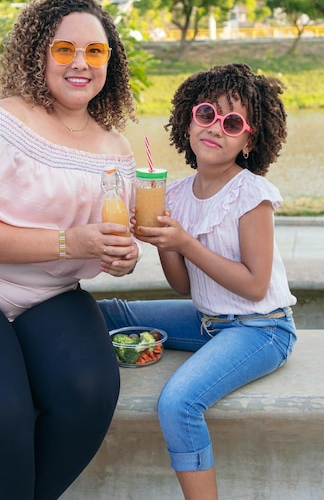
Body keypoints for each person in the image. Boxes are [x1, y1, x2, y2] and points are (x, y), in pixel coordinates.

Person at [0, 0, 140, 500]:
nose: (80, 64)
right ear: (38, 53)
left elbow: (108, 242)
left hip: (52, 298)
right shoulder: (5, 121)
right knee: (0, 413)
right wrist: (73, 242)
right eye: (64, 49)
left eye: (95, 51)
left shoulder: (117, 148)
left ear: (110, 60)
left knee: (89, 394)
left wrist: (121, 255)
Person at [99, 63, 297, 500]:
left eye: (232, 122)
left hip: (262, 329)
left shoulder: (251, 194)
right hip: (208, 320)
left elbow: (254, 286)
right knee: (107, 311)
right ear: (188, 119)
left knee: (178, 404)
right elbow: (183, 287)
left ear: (249, 140)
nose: (215, 128)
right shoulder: (175, 194)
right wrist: (160, 239)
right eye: (206, 114)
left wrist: (184, 241)